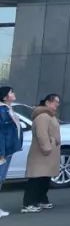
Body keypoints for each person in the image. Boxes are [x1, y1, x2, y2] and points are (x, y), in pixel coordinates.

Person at [22, 94, 61, 214]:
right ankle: (29, 203)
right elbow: (41, 134)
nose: (57, 104)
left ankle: (41, 199)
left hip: (48, 153)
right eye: (55, 102)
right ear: (48, 102)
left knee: (45, 177)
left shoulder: (49, 115)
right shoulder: (42, 116)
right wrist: (47, 147)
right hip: (42, 153)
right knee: (36, 178)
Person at [0, 86, 23, 218]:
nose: (13, 93)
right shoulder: (2, 111)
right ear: (4, 97)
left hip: (7, 150)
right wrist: (1, 153)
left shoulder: (8, 109)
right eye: (11, 92)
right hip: (3, 151)